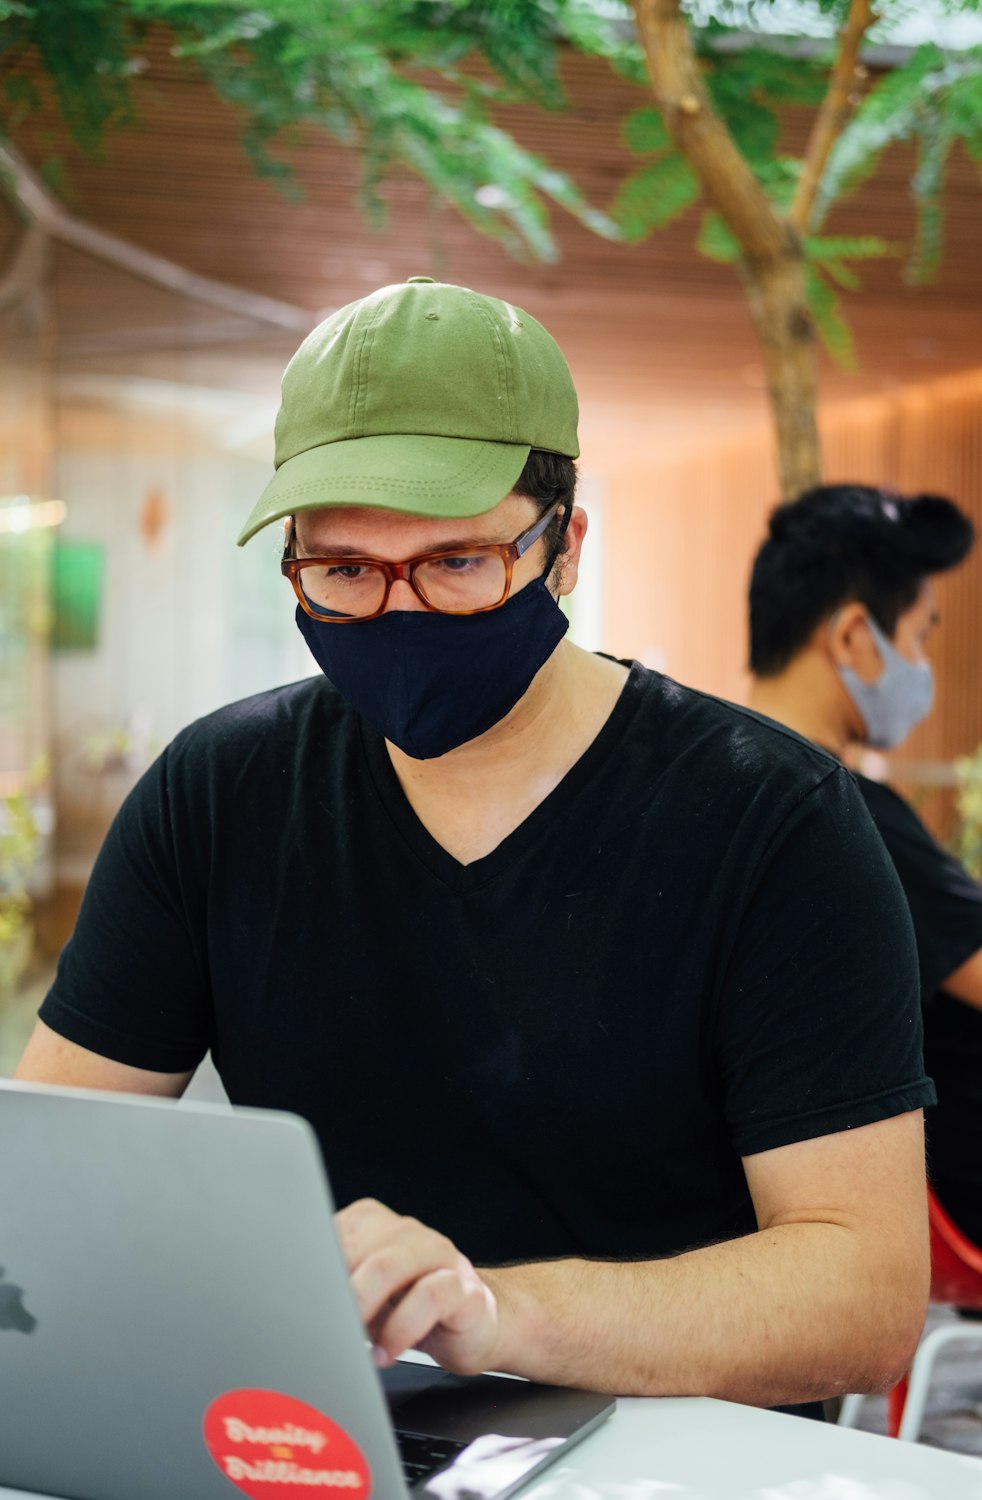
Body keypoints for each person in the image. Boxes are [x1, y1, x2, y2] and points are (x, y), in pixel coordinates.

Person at [18, 278, 932, 1410]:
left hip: (671, 1447)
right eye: (344, 571)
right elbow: (50, 1173)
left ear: (566, 548)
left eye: (457, 563)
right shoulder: (219, 795)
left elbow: (864, 1291)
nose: (400, 617)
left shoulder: (773, 821)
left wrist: (493, 1311)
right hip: (317, 1425)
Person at [748, 482, 982, 1259]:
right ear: (855, 637)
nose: (921, 666)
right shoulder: (839, 809)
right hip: (965, 1192)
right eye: (919, 636)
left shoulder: (721, 782)